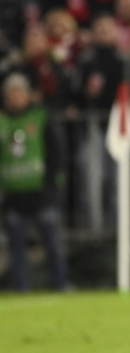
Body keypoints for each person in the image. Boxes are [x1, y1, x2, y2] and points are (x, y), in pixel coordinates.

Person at [0, 73, 68, 291]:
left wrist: (52, 183)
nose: (15, 98)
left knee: (53, 244)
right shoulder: (2, 121)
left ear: (28, 95)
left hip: (42, 194)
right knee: (16, 248)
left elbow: (56, 151)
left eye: (19, 93)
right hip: (13, 196)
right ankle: (21, 288)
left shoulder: (40, 116)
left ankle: (61, 284)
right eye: (11, 94)